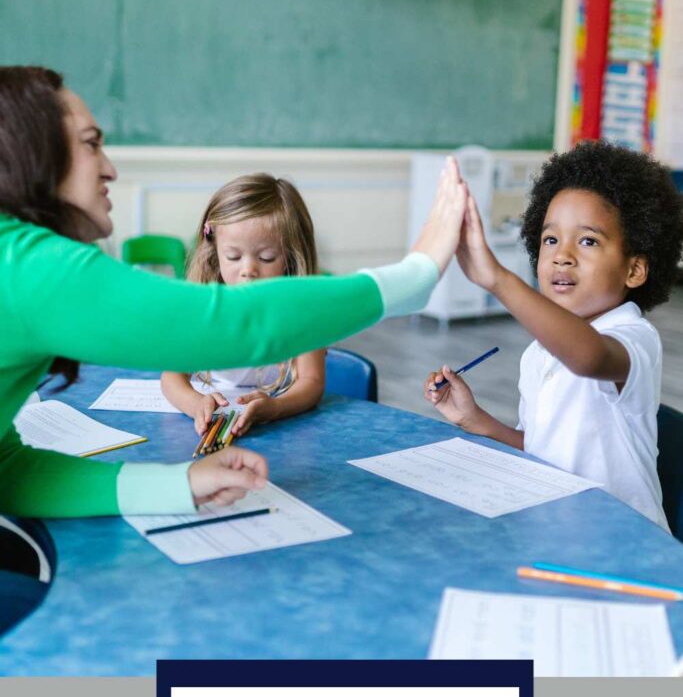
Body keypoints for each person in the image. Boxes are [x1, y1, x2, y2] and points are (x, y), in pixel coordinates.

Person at [0, 66, 467, 518]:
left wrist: (179, 484)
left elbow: (7, 472)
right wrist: (417, 273)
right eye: (91, 145)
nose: (111, 169)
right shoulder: (30, 266)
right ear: (35, 157)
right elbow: (229, 323)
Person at [424, 141, 683, 529]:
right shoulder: (540, 353)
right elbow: (540, 451)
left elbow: (589, 357)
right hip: (557, 529)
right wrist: (474, 418)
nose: (563, 255)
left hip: (626, 544)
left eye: (588, 241)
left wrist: (497, 279)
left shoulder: (633, 337)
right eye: (550, 239)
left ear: (635, 270)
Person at [161, 174, 326, 439]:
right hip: (211, 427)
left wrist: (275, 407)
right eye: (234, 256)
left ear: (290, 257)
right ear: (215, 251)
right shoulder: (204, 308)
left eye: (266, 257)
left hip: (281, 432)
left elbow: (312, 383)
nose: (248, 269)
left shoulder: (303, 312)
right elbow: (171, 378)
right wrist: (195, 404)